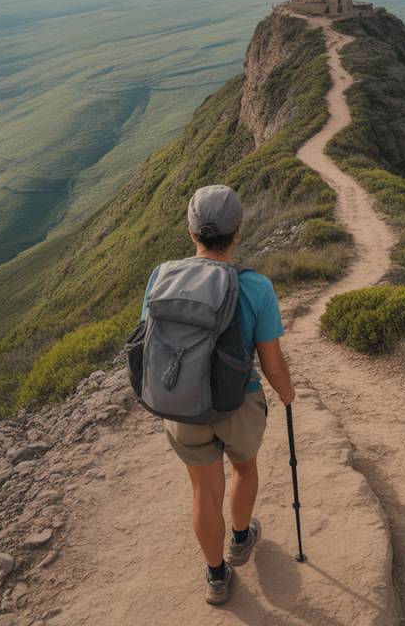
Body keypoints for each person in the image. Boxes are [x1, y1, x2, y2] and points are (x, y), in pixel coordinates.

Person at [140, 184, 296, 606]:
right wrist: (287, 394)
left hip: (181, 406)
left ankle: (215, 576)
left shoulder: (161, 276)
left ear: (192, 231)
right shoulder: (256, 288)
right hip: (237, 404)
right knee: (244, 470)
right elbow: (271, 363)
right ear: (238, 231)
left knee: (202, 491)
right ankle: (242, 539)